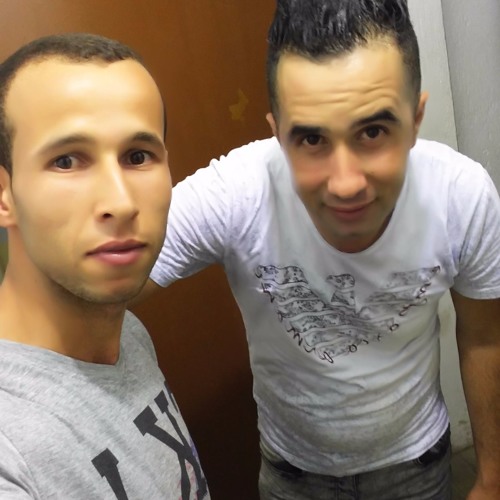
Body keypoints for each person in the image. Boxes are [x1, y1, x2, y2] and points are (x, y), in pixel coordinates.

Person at [138, 0, 500, 498]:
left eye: (373, 131)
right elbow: (107, 279)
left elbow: (484, 337)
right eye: (311, 139)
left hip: (417, 466)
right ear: (277, 135)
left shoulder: (461, 195)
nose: (346, 184)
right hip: (292, 475)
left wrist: (492, 475)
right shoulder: (237, 190)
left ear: (416, 120)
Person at [0, 33, 209, 499]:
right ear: (4, 194)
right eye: (67, 161)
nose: (121, 201)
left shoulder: (125, 331)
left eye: (138, 156)